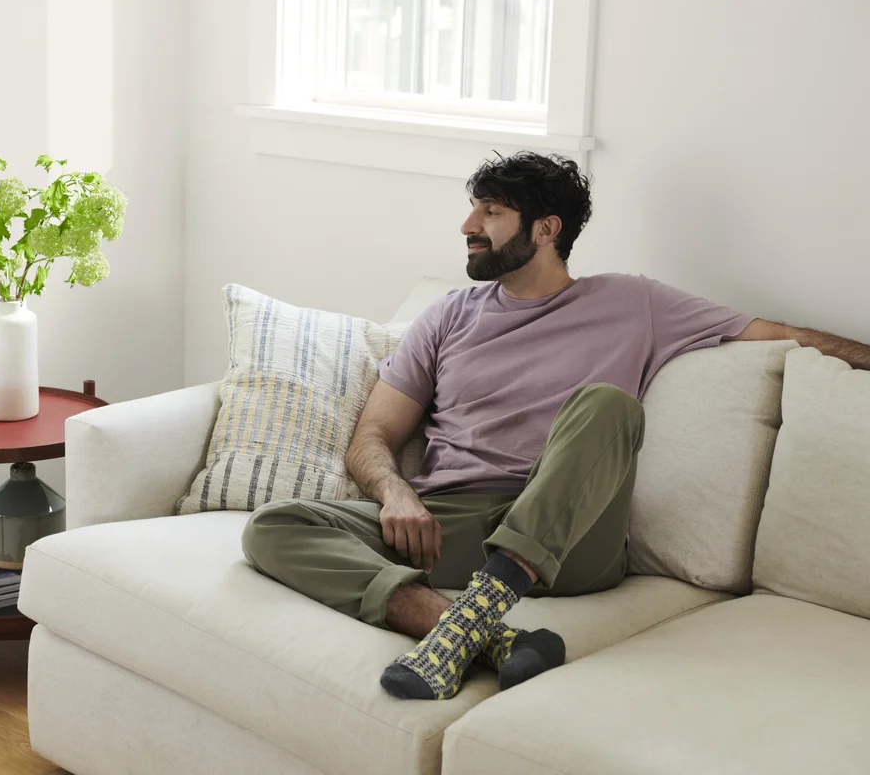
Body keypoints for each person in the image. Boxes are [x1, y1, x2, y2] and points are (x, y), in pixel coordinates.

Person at [240, 151, 870, 701]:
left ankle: (475, 616)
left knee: (608, 404)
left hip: (575, 540)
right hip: (452, 521)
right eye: (472, 210)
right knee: (275, 526)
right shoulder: (448, 316)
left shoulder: (634, 303)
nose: (468, 226)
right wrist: (397, 493)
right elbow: (372, 435)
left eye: (490, 212)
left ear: (545, 229)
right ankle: (484, 634)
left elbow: (784, 335)